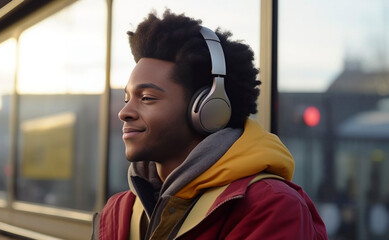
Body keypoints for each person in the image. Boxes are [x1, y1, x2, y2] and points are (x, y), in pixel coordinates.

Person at [92, 10, 328, 240]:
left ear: (209, 109)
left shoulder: (271, 206)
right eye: (127, 98)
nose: (124, 113)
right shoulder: (118, 211)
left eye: (146, 98)